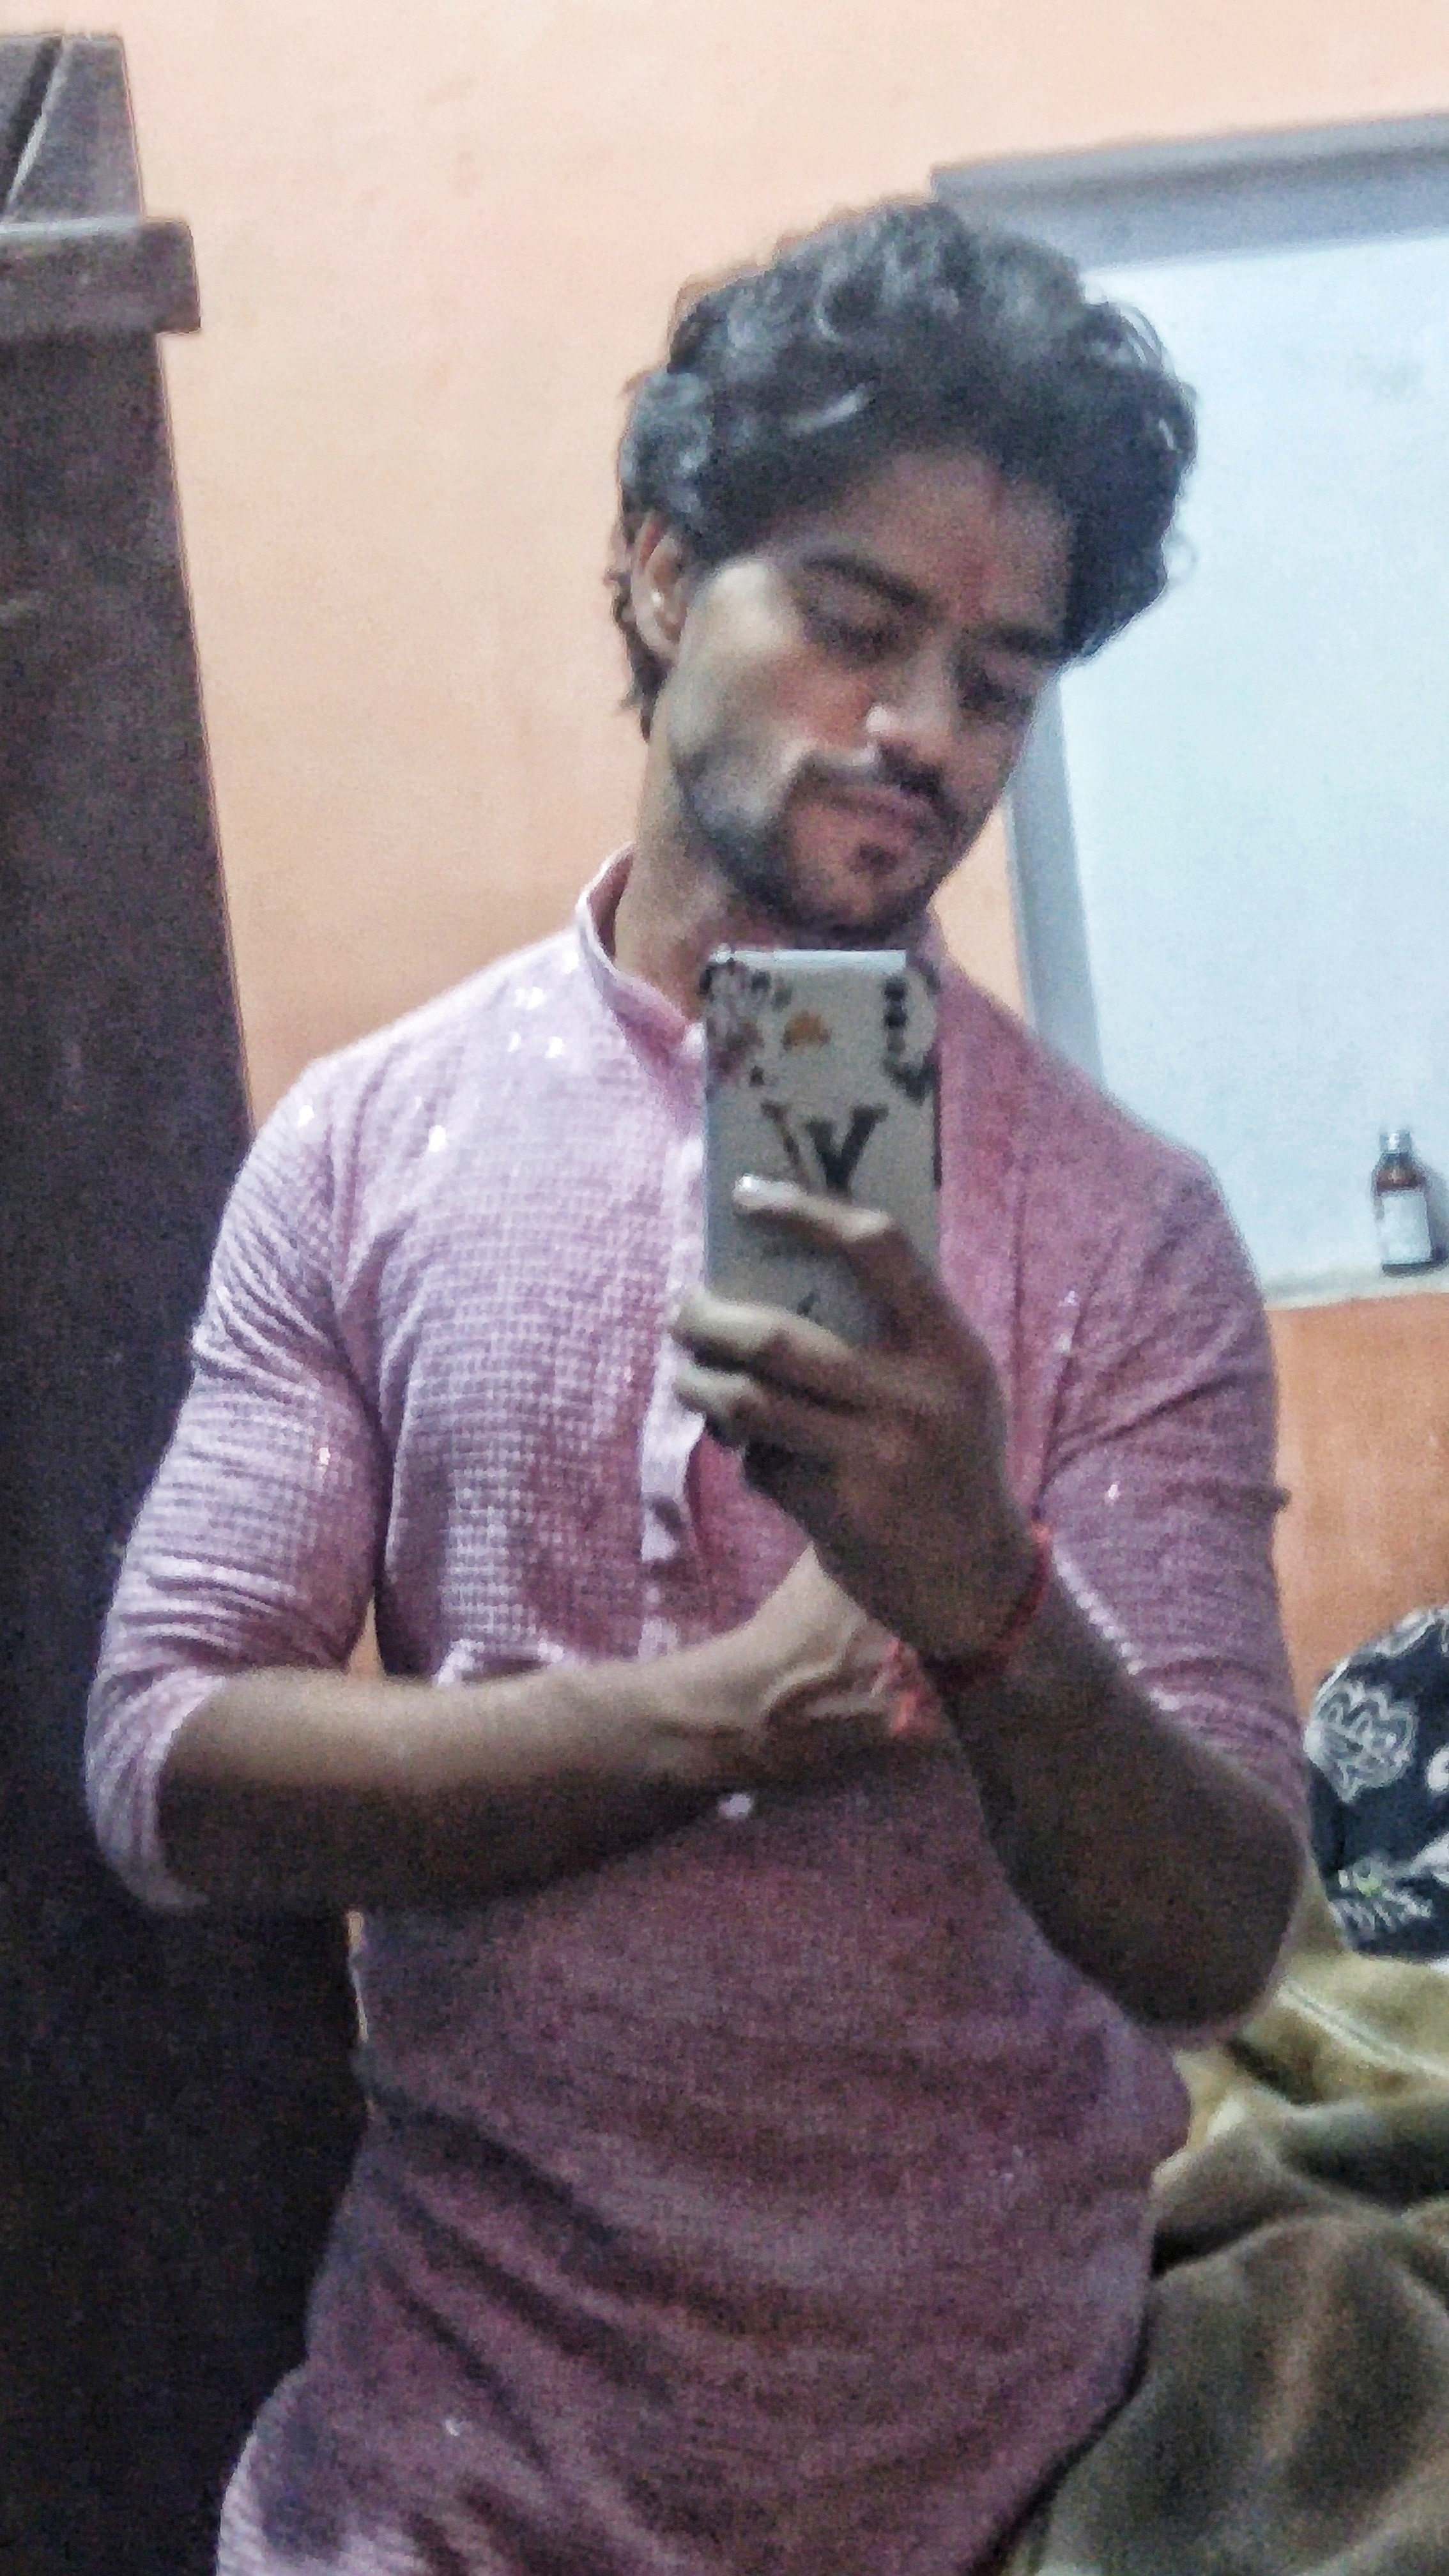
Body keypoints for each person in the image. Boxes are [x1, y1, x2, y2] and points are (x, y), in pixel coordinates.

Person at [86, 199, 1307, 2576]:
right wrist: (714, 1720)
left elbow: (1220, 1939)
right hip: (443, 2483)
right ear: (659, 575)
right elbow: (165, 1764)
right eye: (853, 622)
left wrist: (984, 1599)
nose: (920, 731)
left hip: (993, 2488)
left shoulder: (1126, 1231)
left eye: (996, 680)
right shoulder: (370, 1146)